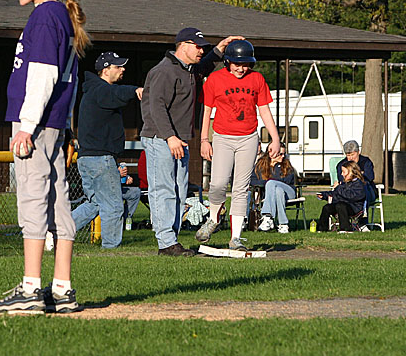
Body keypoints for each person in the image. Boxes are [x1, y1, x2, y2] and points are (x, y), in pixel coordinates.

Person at [0, 0, 90, 314]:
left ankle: (32, 287)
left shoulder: (46, 16)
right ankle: (62, 288)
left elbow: (44, 75)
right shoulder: (56, 15)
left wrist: (27, 126)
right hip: (52, 123)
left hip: (37, 124)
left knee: (32, 199)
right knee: (58, 200)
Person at [140, 28, 243, 256]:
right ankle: (166, 243)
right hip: (161, 138)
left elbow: (204, 66)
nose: (201, 50)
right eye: (197, 46)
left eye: (203, 47)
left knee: (178, 191)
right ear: (182, 45)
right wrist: (170, 137)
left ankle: (171, 241)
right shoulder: (164, 71)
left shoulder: (187, 70)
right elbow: (155, 106)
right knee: (163, 190)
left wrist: (220, 48)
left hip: (179, 140)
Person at [196, 40, 281, 250]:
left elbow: (264, 111)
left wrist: (275, 138)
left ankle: (236, 237)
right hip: (223, 137)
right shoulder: (215, 79)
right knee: (217, 184)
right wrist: (204, 140)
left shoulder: (257, 79)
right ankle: (215, 218)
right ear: (227, 62)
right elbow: (206, 112)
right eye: (236, 64)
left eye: (245, 64)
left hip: (248, 138)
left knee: (241, 188)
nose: (241, 68)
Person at [70, 51, 143, 248]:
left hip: (88, 158)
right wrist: (135, 90)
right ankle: (111, 248)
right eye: (118, 66)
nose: (123, 69)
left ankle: (58, 232)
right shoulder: (101, 90)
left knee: (94, 203)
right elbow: (116, 94)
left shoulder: (94, 90)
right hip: (99, 159)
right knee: (113, 205)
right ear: (105, 70)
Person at [250, 150, 296, 233]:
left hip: (289, 192)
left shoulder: (286, 165)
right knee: (278, 191)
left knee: (272, 183)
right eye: (280, 154)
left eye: (284, 154)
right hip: (273, 195)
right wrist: (267, 183)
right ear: (271, 154)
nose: (283, 156)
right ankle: (283, 225)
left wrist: (269, 181)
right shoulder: (260, 165)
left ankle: (267, 216)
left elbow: (287, 180)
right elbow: (253, 181)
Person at [316, 162, 368, 232]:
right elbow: (335, 194)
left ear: (351, 172)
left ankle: (345, 229)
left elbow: (350, 196)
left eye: (343, 172)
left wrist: (338, 187)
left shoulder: (359, 184)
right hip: (341, 206)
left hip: (354, 208)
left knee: (341, 205)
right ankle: (322, 229)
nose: (342, 174)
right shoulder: (344, 184)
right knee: (327, 207)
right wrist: (324, 195)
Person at [336, 140, 376, 208]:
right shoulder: (341, 165)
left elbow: (369, 177)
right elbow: (342, 179)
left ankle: (363, 215)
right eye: (348, 155)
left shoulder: (366, 162)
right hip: (348, 191)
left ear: (358, 152)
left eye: (353, 154)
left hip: (365, 190)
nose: (351, 158)